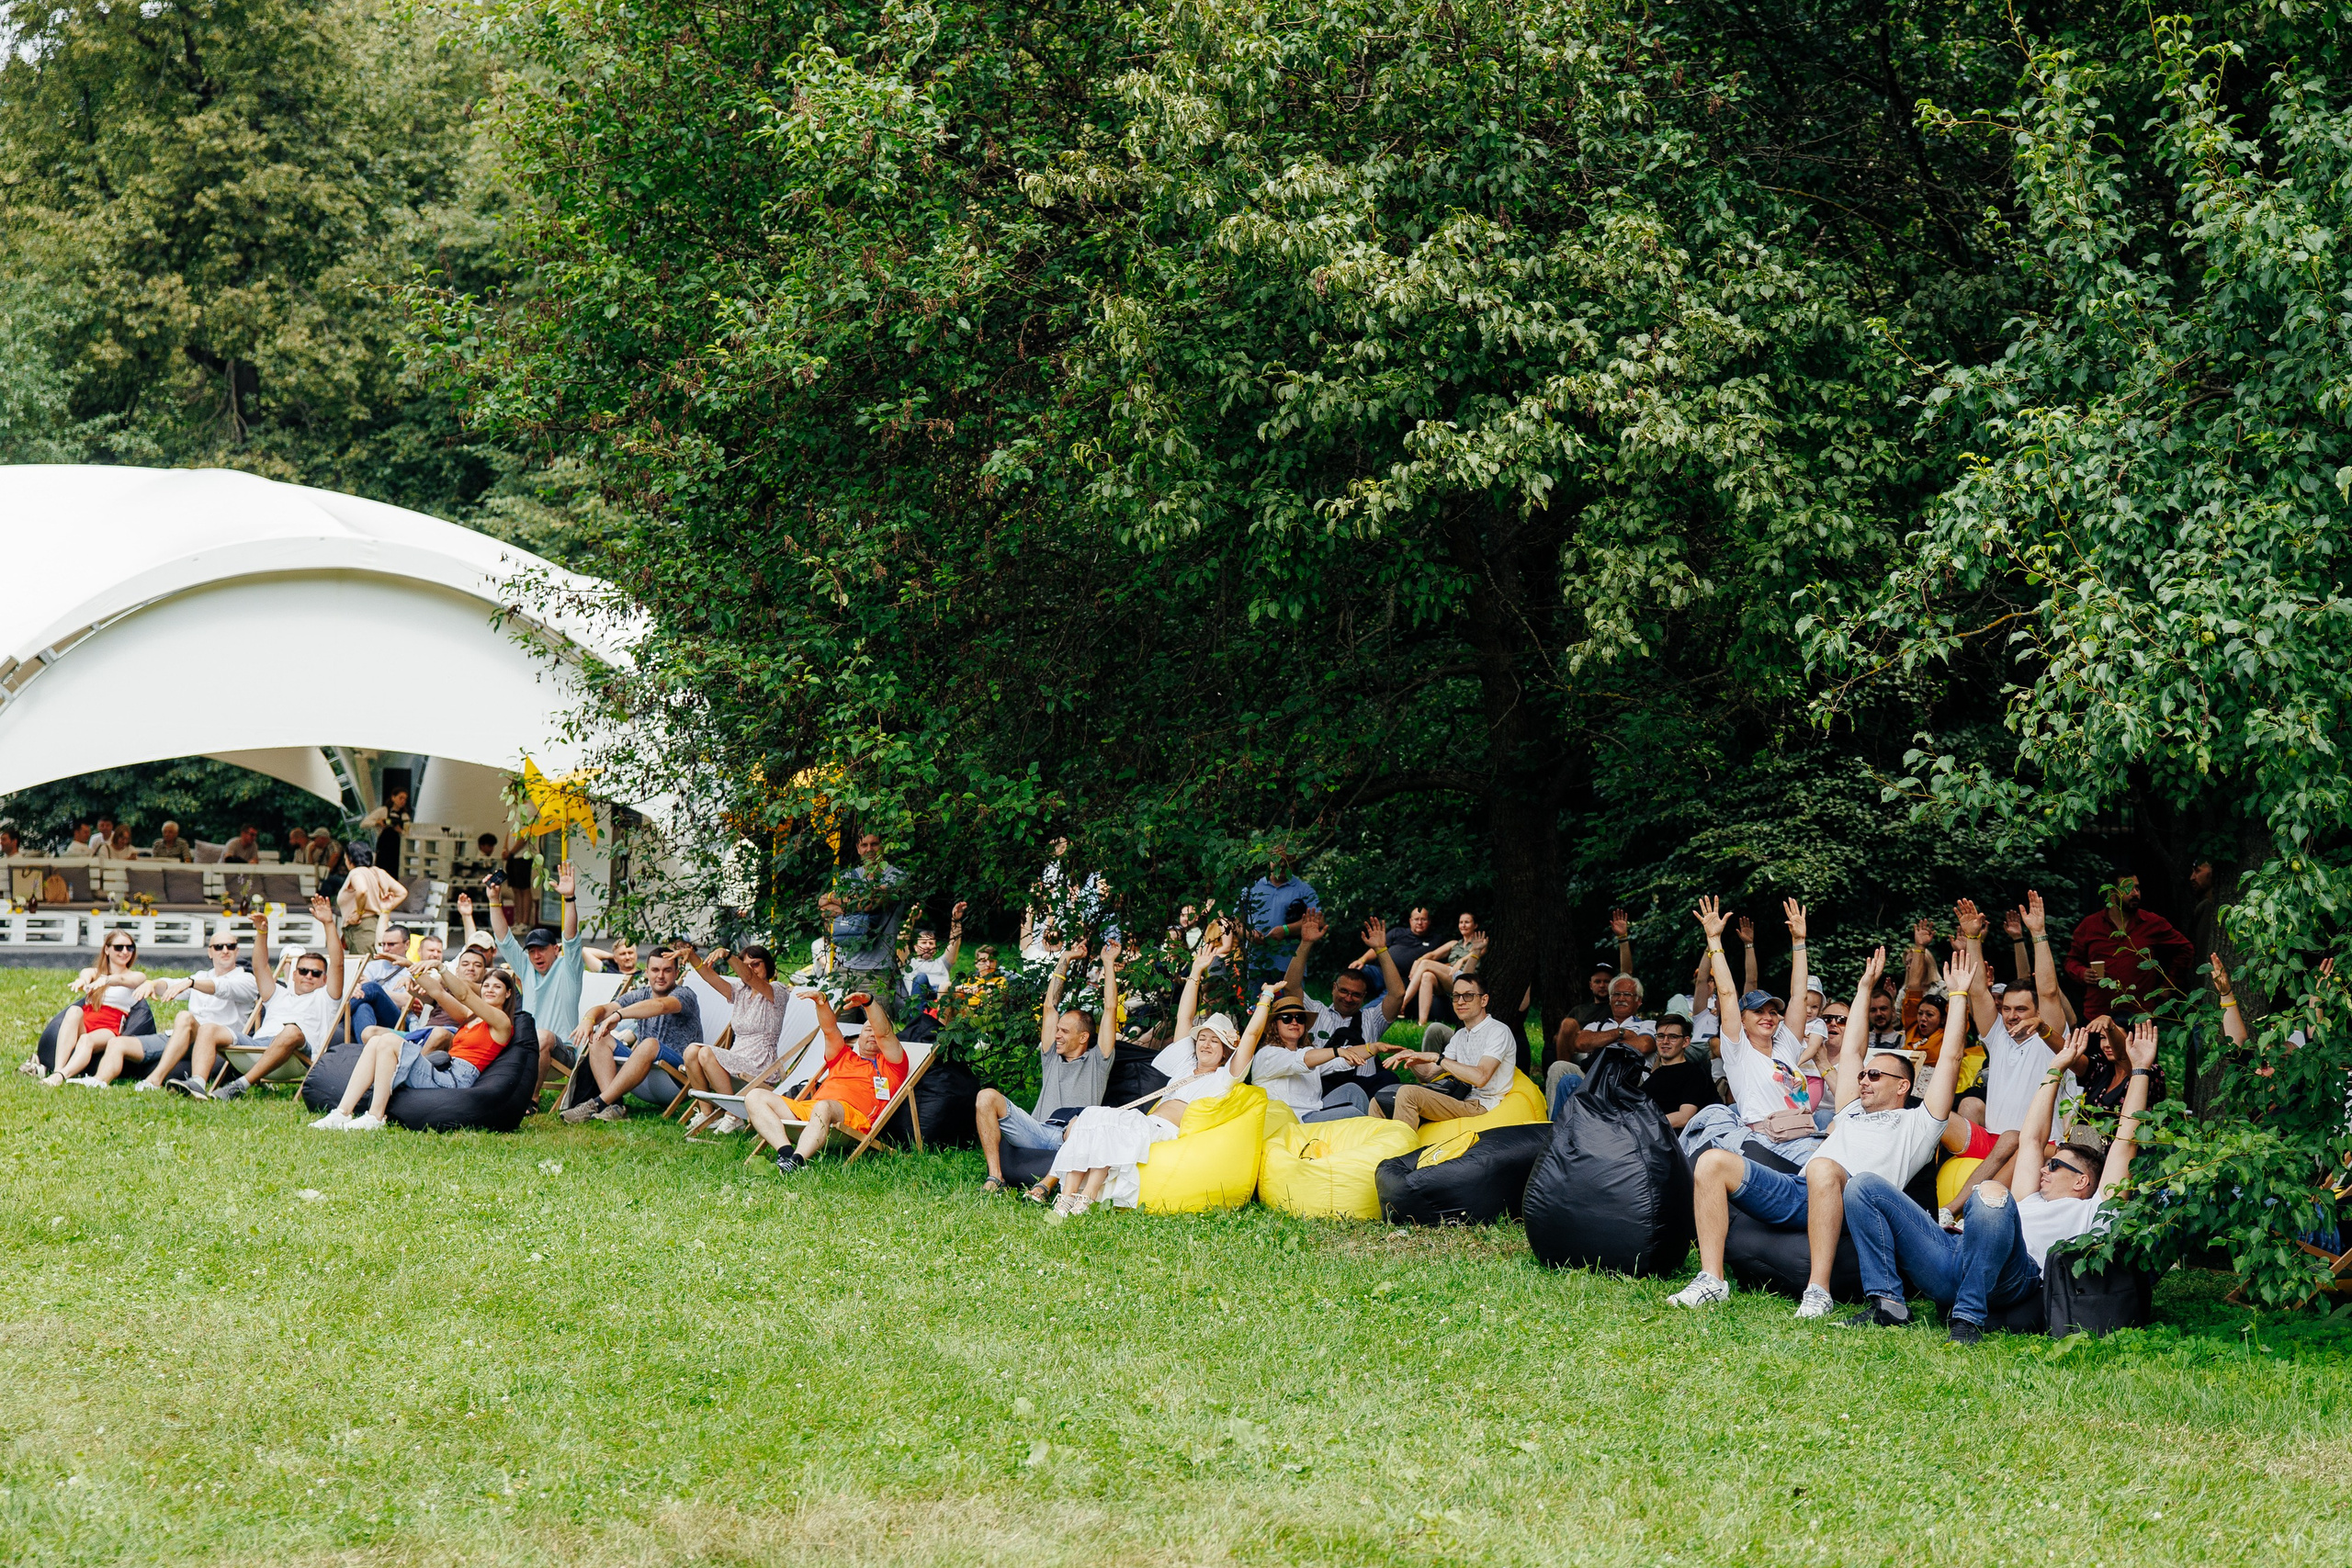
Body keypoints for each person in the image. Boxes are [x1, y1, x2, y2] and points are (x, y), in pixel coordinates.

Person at [1674, 947, 1977, 1314]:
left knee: (1823, 1167)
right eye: (1864, 1075)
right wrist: (1865, 987)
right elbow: (1851, 1052)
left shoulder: (1920, 1122)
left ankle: (1818, 1291)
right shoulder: (1852, 1110)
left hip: (1854, 1201)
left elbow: (1951, 1057)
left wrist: (1959, 995)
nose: (1863, 1079)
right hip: (1801, 1191)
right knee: (1712, 1162)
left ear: (1902, 1086)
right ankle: (1712, 1279)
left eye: (1875, 1075)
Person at [1842, 1020, 2156, 1342]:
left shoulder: (2096, 1210)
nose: (2043, 1170)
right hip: (1951, 1258)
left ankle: (1967, 1319)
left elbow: (2125, 1143)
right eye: (2047, 1165)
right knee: (1862, 1185)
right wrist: (2055, 1068)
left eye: (2056, 1166)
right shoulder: (2031, 1197)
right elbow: (2031, 1138)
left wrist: (2141, 1069)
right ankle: (1888, 1303)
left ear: (2083, 1182)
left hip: (2011, 1276)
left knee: (1991, 1195)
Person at [1044, 988, 1270, 1216]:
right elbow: (1184, 1018)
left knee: (1101, 1118)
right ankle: (1067, 1199)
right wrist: (1196, 971)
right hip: (1146, 1123)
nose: (1206, 1045)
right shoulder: (1184, 1065)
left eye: (1215, 1041)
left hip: (1164, 1131)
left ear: (1225, 1052)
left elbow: (1251, 1036)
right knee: (1090, 1117)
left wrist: (1266, 998)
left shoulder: (1223, 1078)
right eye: (1202, 1039)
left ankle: (1086, 1199)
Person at [1677, 897, 1824, 1164]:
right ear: (1742, 1021)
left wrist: (1799, 942)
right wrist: (1714, 940)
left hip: (1805, 1138)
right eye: (1758, 1012)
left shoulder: (1785, 1046)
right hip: (1768, 1146)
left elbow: (1800, 996)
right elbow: (1727, 993)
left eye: (1772, 1011)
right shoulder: (1738, 1050)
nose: (1768, 1017)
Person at [973, 938, 1116, 1193]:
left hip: (1072, 1136)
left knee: (1079, 1123)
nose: (1057, 1035)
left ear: (1083, 1037)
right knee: (986, 1097)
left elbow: (1110, 1008)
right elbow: (1049, 1007)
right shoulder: (1051, 1056)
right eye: (1057, 1030)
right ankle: (996, 1178)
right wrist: (1065, 959)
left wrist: (1108, 963)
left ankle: (1044, 1186)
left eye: (1064, 1031)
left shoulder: (1099, 1060)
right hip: (1037, 1132)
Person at [313, 964, 517, 1130]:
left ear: (508, 993)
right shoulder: (470, 1017)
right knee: (376, 1040)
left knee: (389, 1041)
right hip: (442, 1069)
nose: (490, 990)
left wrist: (441, 967)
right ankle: (342, 1113)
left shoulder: (501, 1022)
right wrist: (413, 968)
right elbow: (437, 992)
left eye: (497, 987)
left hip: (455, 1080)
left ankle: (375, 1116)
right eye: (487, 985)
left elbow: (465, 995)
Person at [743, 988, 910, 1173]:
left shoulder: (893, 1067)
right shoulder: (842, 1056)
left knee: (824, 1106)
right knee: (754, 1096)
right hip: (813, 1111)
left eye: (875, 1030)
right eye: (867, 1029)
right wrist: (821, 1003)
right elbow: (830, 1030)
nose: (872, 1034)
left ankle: (797, 1161)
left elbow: (884, 1034)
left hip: (851, 1118)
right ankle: (786, 1154)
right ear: (858, 1037)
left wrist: (869, 1002)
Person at [198, 900, 346, 1100]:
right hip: (256, 1047)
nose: (309, 976)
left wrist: (329, 923)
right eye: (303, 971)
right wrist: (262, 933)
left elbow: (337, 964)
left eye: (316, 973)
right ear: (294, 974)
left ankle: (240, 1085)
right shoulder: (278, 994)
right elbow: (260, 967)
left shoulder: (327, 998)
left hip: (296, 1056)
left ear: (325, 979)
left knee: (291, 1030)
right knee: (208, 1028)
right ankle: (197, 1084)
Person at [1955, 896, 2076, 1139]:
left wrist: (2038, 933)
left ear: (2039, 1012)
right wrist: (1972, 938)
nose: (2011, 1016)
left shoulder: (2049, 1038)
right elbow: (1978, 991)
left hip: (2040, 1145)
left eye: (2021, 1009)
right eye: (2007, 1008)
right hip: (1994, 1142)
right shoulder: (1998, 1035)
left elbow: (2049, 992)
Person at [561, 944, 705, 1122]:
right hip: (642, 1076)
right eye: (655, 970)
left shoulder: (684, 994)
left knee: (650, 1044)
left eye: (667, 970)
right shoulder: (641, 994)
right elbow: (605, 1009)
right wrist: (588, 1020)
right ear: (646, 972)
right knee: (600, 1036)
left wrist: (620, 1015)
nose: (660, 976)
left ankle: (598, 1103)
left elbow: (661, 1006)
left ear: (676, 973)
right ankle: (614, 1106)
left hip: (677, 1080)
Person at [1277, 913, 1404, 1108]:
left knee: (1389, 1080)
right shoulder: (1315, 1011)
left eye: (1355, 994)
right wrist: (1305, 943)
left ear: (1364, 997)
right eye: (1343, 991)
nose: (1348, 998)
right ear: (1333, 988)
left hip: (1363, 1085)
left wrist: (1381, 949)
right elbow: (1291, 987)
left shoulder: (1372, 1018)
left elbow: (1397, 994)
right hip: (1321, 1084)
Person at [1371, 970, 1517, 1130]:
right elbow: (1429, 1075)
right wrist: (1411, 1057)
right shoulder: (1461, 1034)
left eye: (1468, 995)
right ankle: (1377, 1149)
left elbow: (1481, 1077)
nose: (1460, 1001)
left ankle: (1401, 1151)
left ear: (1484, 1000)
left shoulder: (1498, 1031)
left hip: (1480, 1104)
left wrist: (1437, 1057)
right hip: (1456, 1097)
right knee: (1378, 1100)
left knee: (1408, 1094)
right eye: (1456, 996)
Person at [121, 931, 261, 1090]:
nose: (225, 950)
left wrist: (191, 983)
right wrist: (153, 983)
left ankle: (154, 1080)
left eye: (230, 946)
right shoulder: (201, 975)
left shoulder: (246, 979)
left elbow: (222, 988)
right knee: (119, 1044)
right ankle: (97, 1079)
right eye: (218, 947)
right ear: (210, 952)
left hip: (219, 1046)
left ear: (237, 951)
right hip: (185, 1038)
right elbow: (172, 984)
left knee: (185, 1017)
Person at [676, 942, 786, 1135]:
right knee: (692, 1051)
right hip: (736, 1058)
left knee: (707, 1053)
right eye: (746, 964)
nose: (750, 968)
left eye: (756, 963)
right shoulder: (740, 991)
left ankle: (733, 1116)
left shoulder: (776, 991)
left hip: (761, 1066)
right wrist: (692, 956)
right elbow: (712, 978)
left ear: (768, 965)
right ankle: (707, 1113)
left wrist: (727, 955)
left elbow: (749, 977)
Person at [2065, 872, 2193, 1015]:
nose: (2135, 893)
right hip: (2099, 1013)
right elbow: (2072, 961)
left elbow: (2185, 948)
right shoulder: (2090, 925)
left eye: (2137, 888)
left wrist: (2169, 985)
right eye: (2128, 888)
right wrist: (2082, 973)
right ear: (2111, 893)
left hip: (2140, 1015)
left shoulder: (2151, 922)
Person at [490, 861, 585, 1044]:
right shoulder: (527, 968)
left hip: (562, 1047)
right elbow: (505, 940)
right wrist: (494, 900)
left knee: (543, 1037)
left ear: (556, 949)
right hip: (529, 1046)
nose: (536, 956)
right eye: (532, 951)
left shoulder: (568, 968)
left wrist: (570, 899)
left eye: (542, 949)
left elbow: (571, 938)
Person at [44, 933, 149, 1086]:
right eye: (119, 947)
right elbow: (86, 973)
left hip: (109, 1026)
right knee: (74, 1010)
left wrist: (106, 980)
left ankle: (62, 1075)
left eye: (130, 947)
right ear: (107, 950)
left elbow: (124, 980)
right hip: (87, 1020)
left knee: (87, 1039)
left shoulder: (136, 976)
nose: (125, 952)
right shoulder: (95, 973)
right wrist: (83, 980)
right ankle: (57, 1070)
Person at [1549, 973, 1657, 1115]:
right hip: (1593, 1073)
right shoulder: (1597, 1025)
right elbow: (1581, 1043)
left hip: (1629, 1078)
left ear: (1638, 1001)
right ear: (1610, 1000)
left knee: (1579, 1079)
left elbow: (1644, 1045)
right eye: (1616, 994)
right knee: (1559, 1067)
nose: (1621, 999)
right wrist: (1620, 1033)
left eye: (1627, 994)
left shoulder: (1648, 1024)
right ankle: (1552, 1127)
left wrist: (1600, 1044)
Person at [830, 830, 908, 992]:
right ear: (858, 848)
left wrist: (840, 902)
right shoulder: (847, 876)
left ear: (884, 846)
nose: (869, 849)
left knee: (878, 1019)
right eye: (864, 845)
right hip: (842, 969)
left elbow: (869, 904)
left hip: (878, 971)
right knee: (835, 1019)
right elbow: (824, 907)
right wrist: (832, 899)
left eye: (874, 844)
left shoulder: (897, 876)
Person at [1238, 842, 1319, 983]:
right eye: (1277, 860)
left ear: (1294, 862)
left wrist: (1286, 930)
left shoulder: (1304, 890)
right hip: (1256, 964)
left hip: (1290, 965)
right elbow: (1235, 923)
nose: (1282, 865)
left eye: (1287, 861)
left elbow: (1318, 921)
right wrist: (1249, 934)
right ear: (1268, 860)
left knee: (1290, 1004)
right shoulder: (1252, 888)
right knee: (1255, 1005)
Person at [1396, 909, 1489, 1028]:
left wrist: (1462, 960)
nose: (1463, 925)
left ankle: (1402, 1004)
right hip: (1450, 979)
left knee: (1425, 964)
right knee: (1427, 976)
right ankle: (1421, 1022)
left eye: (1467, 922)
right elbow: (1433, 955)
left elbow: (1478, 953)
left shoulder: (1480, 943)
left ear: (1475, 925)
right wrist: (1417, 961)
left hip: (1467, 979)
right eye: (1461, 922)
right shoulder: (1454, 943)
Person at [1642, 1016, 1714, 1130]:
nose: (1665, 1042)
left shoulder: (1694, 1074)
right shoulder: (1655, 1076)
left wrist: (1643, 1124)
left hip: (1677, 1141)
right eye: (1661, 1036)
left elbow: (1683, 1118)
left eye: (1673, 1037)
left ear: (1685, 1042)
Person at [365, 789, 412, 878]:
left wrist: (400, 831)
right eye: (400, 798)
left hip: (396, 850)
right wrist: (378, 822)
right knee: (380, 873)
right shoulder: (383, 811)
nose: (403, 801)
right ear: (393, 797)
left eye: (405, 799)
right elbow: (364, 823)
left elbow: (408, 835)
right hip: (383, 848)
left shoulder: (405, 816)